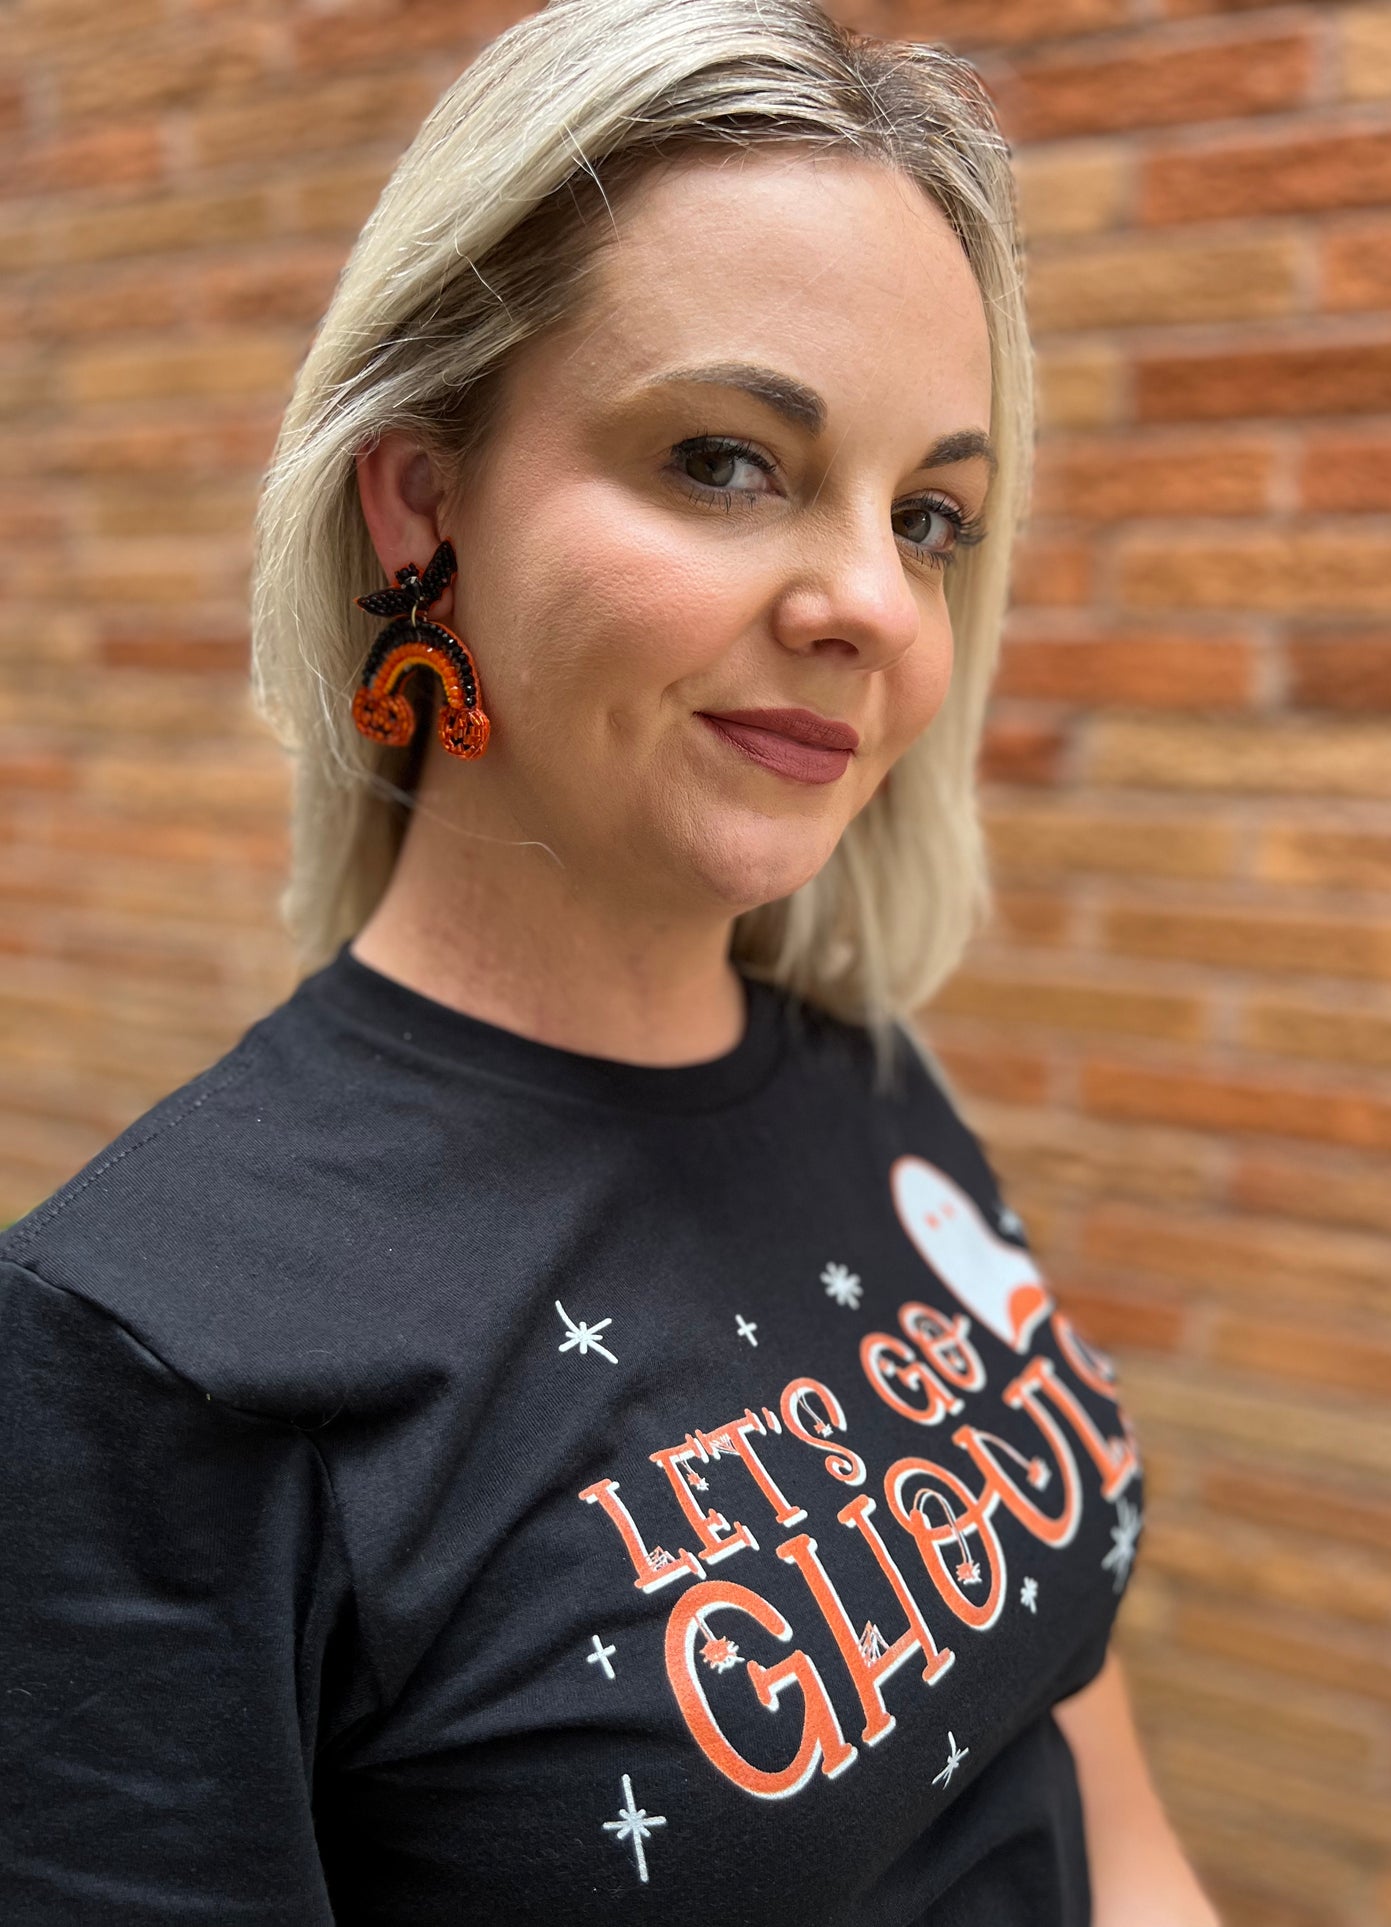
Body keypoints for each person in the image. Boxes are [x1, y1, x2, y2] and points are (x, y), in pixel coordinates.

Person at [0, 1, 1221, 1921]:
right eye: (728, 461)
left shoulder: (867, 1088)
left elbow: (1078, 1763)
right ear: (425, 510)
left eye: (929, 518)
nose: (871, 609)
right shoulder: (143, 1351)